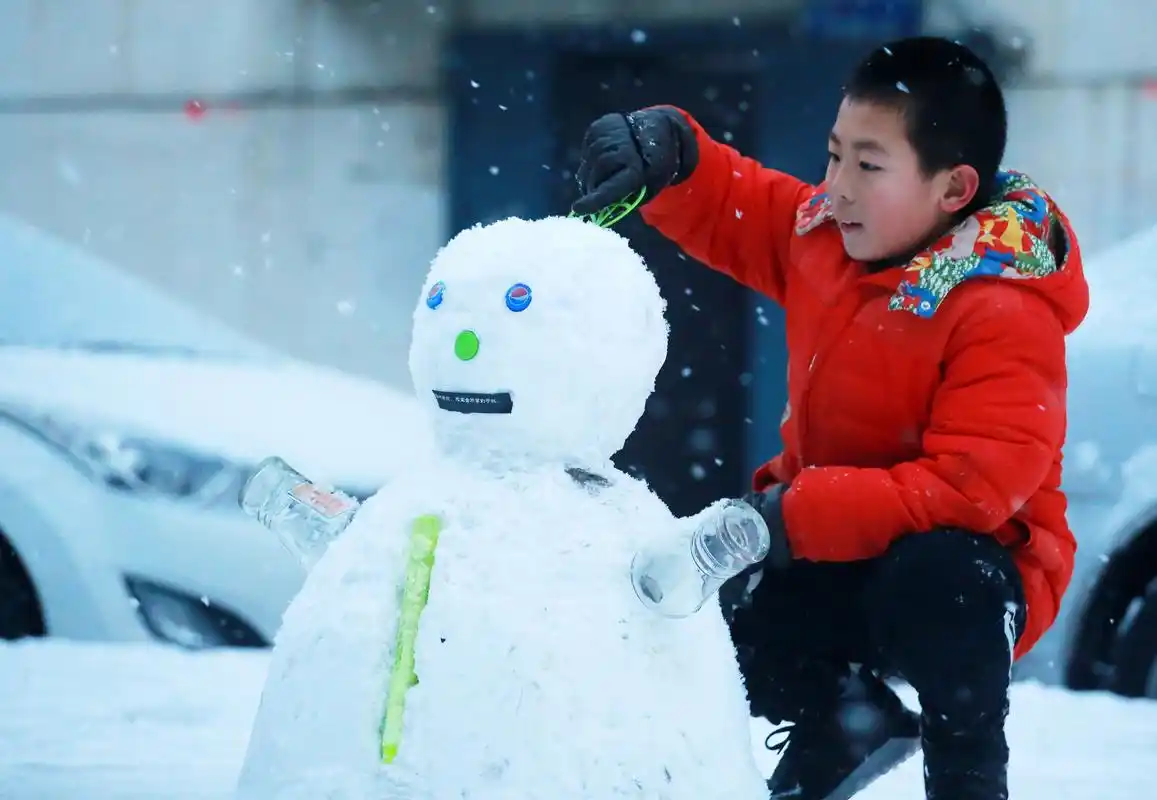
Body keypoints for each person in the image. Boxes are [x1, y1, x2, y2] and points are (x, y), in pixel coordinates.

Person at [572, 35, 1089, 800]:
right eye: (833, 155)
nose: (837, 187)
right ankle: (840, 722)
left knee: (940, 583)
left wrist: (788, 517)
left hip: (973, 570)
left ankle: (967, 770)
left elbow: (968, 489)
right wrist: (675, 154)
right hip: (831, 538)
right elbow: (743, 207)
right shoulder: (828, 237)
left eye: (868, 166)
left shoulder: (1001, 305)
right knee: (732, 634)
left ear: (953, 190)